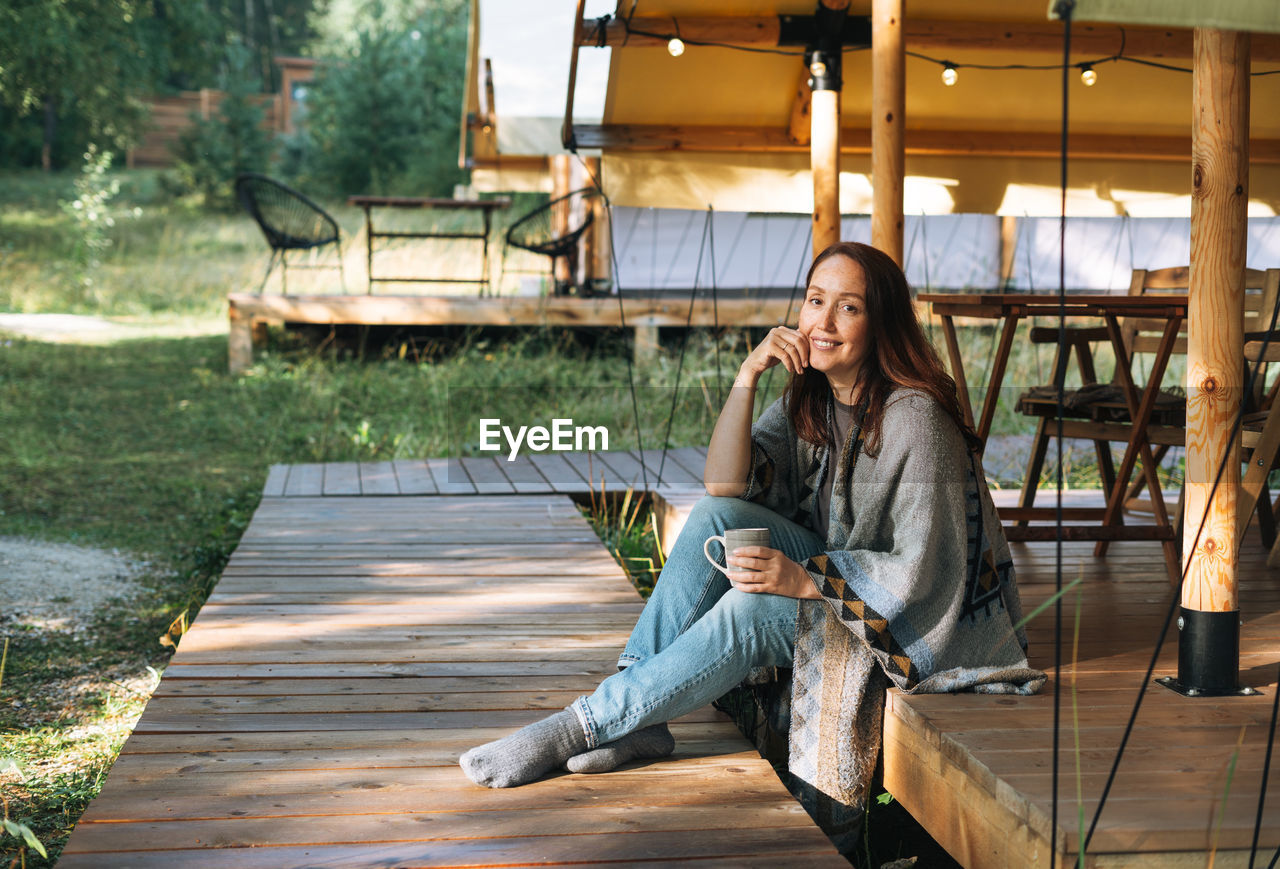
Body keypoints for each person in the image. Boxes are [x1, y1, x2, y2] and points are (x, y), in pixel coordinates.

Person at [460, 241, 1044, 841]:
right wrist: (747, 375)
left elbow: (924, 568)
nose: (823, 321)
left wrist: (807, 579)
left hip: (928, 626)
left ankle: (582, 725)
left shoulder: (915, 419)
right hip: (851, 577)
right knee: (717, 514)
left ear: (883, 324)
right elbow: (723, 483)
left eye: (849, 308)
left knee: (749, 610)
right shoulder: (815, 396)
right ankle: (634, 715)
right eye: (816, 301)